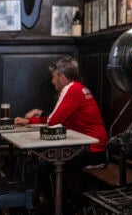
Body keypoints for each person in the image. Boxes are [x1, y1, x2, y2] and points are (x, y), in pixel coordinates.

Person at [15, 56, 108, 209]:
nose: (52, 82)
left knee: (43, 167)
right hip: (94, 147)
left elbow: (53, 121)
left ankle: (62, 208)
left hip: (91, 149)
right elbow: (59, 119)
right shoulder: (79, 87)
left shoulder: (71, 89)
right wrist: (30, 121)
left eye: (53, 77)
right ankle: (69, 205)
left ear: (62, 77)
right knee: (41, 164)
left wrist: (33, 119)